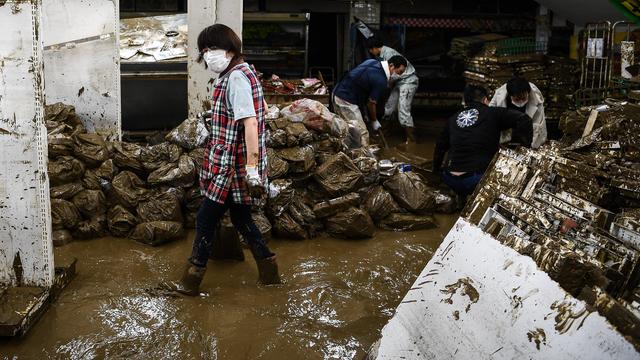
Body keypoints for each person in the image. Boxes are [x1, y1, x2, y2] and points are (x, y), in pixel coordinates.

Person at [167, 24, 279, 296]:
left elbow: (251, 123)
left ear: (230, 50)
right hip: (234, 161)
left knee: (206, 217)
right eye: (203, 51)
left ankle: (190, 281)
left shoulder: (236, 78)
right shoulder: (243, 72)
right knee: (241, 218)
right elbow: (262, 108)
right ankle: (270, 273)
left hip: (232, 165)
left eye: (212, 49)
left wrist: (252, 170)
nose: (207, 56)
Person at [433, 84, 533, 202]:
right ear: (485, 100)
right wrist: (522, 151)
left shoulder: (453, 118)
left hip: (449, 178)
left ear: (465, 101)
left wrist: (436, 173)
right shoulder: (493, 113)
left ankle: (459, 198)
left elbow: (440, 147)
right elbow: (524, 119)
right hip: (476, 180)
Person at [332, 55, 407, 148]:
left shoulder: (372, 62)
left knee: (347, 129)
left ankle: (347, 150)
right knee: (361, 133)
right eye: (399, 72)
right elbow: (371, 103)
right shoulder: (381, 80)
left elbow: (362, 84)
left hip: (338, 92)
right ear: (391, 66)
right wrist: (374, 120)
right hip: (345, 99)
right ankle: (364, 159)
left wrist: (366, 115)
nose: (398, 76)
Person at [366, 35, 420, 145]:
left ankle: (411, 140)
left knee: (403, 110)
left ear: (374, 48)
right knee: (389, 108)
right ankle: (384, 134)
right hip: (399, 82)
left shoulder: (388, 53)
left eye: (371, 50)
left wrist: (384, 86)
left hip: (408, 80)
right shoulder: (382, 54)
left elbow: (392, 75)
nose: (371, 52)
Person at [489, 76, 546, 148]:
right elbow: (491, 117)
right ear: (510, 96)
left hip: (527, 130)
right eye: (517, 99)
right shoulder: (499, 96)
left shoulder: (536, 98)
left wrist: (532, 148)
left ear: (528, 93)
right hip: (506, 132)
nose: (521, 101)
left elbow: (538, 125)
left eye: (523, 98)